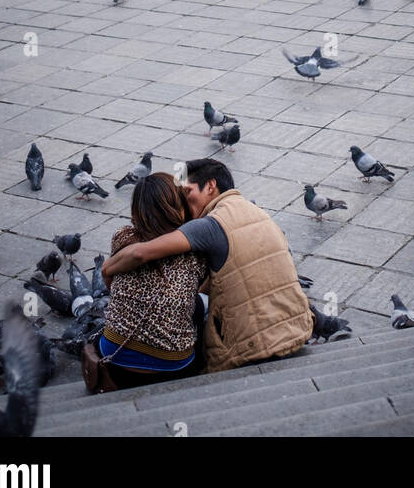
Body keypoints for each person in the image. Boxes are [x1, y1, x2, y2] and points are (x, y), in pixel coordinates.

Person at [102, 159, 314, 373]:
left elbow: (140, 253)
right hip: (296, 328)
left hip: (253, 347)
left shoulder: (208, 226)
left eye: (187, 191)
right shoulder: (256, 212)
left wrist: (107, 269)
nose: (184, 200)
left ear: (210, 186)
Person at [98, 173, 207, 389]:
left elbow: (112, 283)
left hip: (117, 358)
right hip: (173, 364)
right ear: (179, 205)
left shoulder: (123, 236)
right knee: (203, 307)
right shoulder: (196, 250)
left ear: (137, 211)